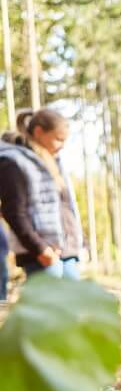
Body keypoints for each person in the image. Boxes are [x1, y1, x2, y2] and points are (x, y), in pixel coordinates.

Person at [0, 108, 83, 280]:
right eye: (58, 139)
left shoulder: (54, 163)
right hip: (40, 254)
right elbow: (14, 212)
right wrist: (40, 249)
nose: (63, 146)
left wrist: (80, 242)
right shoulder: (14, 162)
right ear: (39, 132)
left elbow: (65, 207)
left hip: (65, 250)